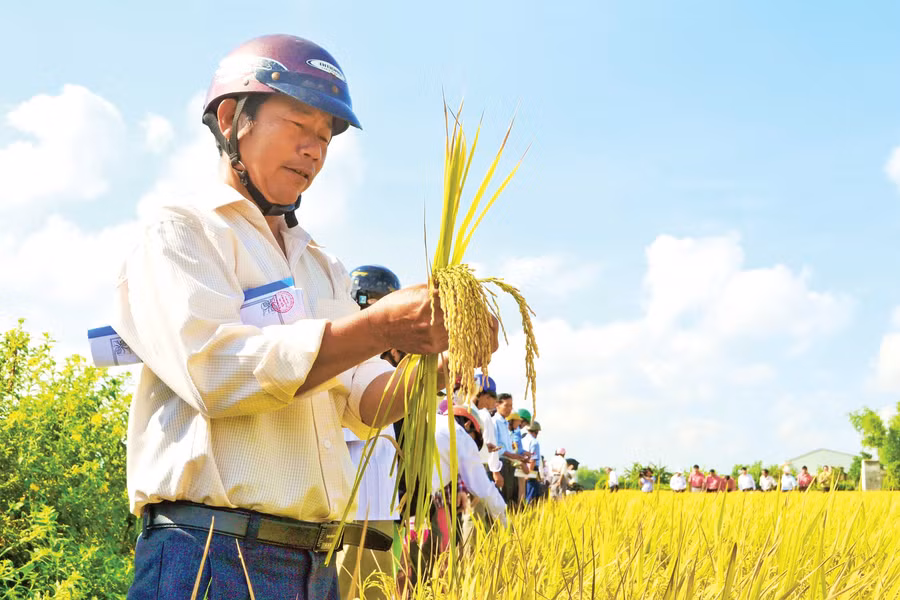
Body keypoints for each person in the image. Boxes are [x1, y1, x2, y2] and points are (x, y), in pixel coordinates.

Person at [116, 34, 500, 600]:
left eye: (325, 138)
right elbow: (214, 372)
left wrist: (437, 368)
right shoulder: (182, 232)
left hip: (313, 562)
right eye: (299, 126)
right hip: (209, 555)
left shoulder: (321, 266)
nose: (315, 150)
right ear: (232, 119)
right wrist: (382, 327)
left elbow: (365, 404)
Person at [336, 265, 404, 600]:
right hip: (350, 510)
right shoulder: (342, 360)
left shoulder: (385, 368)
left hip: (380, 511)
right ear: (364, 302)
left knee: (377, 592)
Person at [492, 393, 525, 507]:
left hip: (508, 463)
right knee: (502, 500)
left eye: (511, 406)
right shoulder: (495, 422)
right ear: (497, 405)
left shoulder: (505, 423)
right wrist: (513, 456)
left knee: (508, 499)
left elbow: (507, 447)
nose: (509, 409)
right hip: (501, 464)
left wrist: (515, 456)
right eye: (506, 405)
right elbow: (496, 448)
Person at [521, 421, 543, 504]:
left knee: (523, 493)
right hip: (531, 470)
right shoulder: (534, 442)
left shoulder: (522, 440)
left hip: (521, 468)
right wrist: (529, 473)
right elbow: (533, 460)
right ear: (536, 431)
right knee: (532, 495)